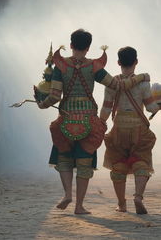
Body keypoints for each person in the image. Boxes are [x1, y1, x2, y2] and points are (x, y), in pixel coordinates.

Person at [37, 29, 149, 214]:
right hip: (89, 120)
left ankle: (67, 195)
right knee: (84, 161)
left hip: (66, 118)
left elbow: (55, 96)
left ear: (71, 45)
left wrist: (43, 104)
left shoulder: (61, 65)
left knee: (64, 157)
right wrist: (142, 77)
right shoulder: (94, 67)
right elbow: (118, 85)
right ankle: (79, 206)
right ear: (88, 48)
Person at [100, 46, 161, 214]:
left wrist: (100, 124)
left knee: (118, 165)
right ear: (136, 62)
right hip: (138, 128)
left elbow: (106, 110)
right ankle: (138, 196)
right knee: (141, 162)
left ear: (118, 63)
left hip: (119, 128)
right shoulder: (143, 83)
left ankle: (122, 204)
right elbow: (151, 108)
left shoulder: (112, 84)